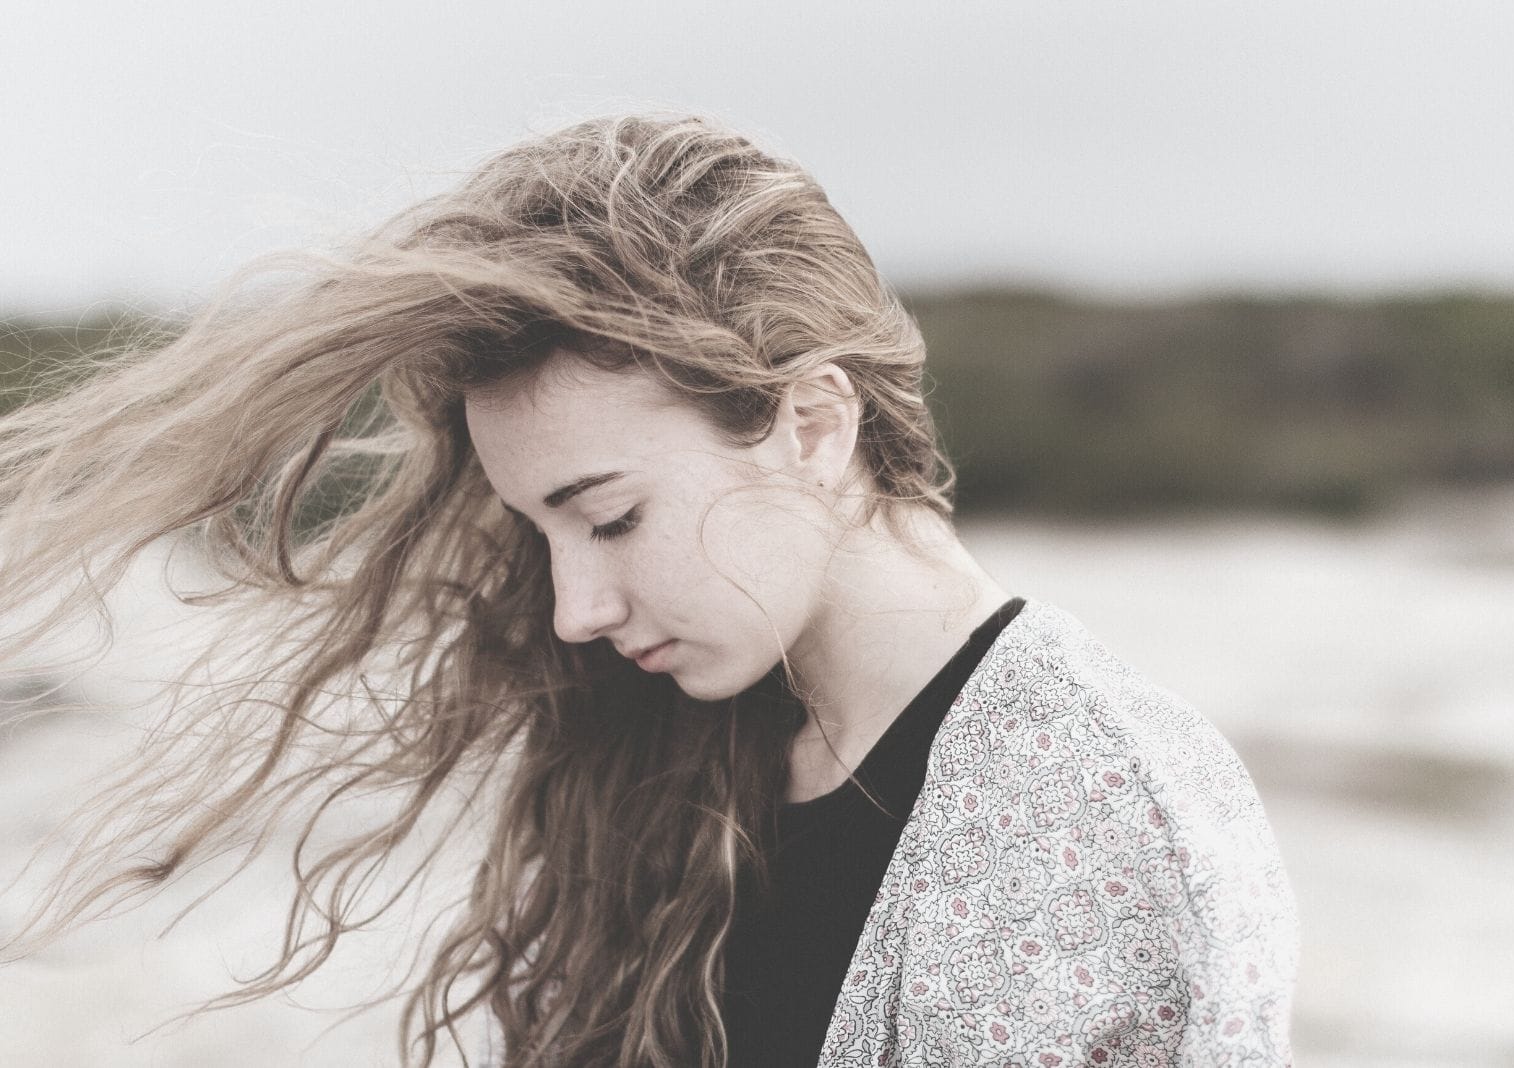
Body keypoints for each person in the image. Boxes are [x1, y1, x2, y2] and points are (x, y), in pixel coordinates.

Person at [0, 114, 1297, 1066]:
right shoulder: (685, 751)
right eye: (542, 537)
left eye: (610, 517)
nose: (575, 609)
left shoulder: (1098, 817)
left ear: (811, 424)